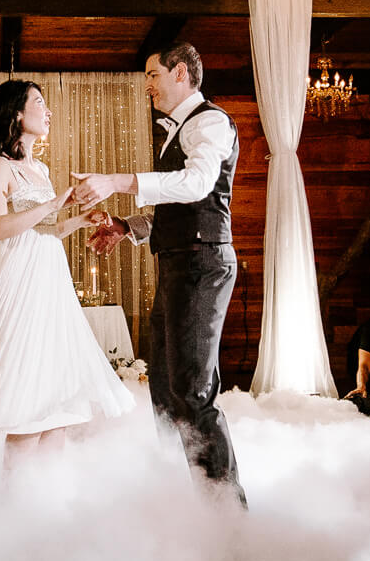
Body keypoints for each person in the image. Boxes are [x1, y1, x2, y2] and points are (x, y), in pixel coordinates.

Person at [71, 42, 245, 503]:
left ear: (182, 74)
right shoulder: (175, 130)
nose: (147, 84)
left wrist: (118, 182)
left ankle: (225, 511)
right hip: (178, 265)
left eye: (153, 74)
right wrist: (127, 227)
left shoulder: (209, 121)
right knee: (167, 390)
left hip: (202, 266)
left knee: (192, 390)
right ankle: (181, 500)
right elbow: (175, 209)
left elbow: (197, 185)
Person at [0, 81, 132, 452]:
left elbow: (46, 232)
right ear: (17, 113)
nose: (48, 112)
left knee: (57, 408)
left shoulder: (42, 169)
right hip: (19, 283)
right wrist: (53, 204)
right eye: (40, 103)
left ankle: (47, 499)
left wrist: (81, 220)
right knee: (25, 404)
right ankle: (16, 501)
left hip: (50, 282)